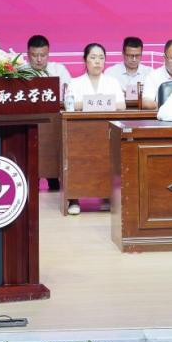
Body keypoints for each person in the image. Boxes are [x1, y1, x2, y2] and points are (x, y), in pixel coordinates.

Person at [65, 43, 126, 215]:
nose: (97, 62)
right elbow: (70, 105)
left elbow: (121, 105)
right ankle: (74, 198)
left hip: (107, 132)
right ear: (85, 60)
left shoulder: (112, 82)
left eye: (101, 58)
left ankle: (106, 196)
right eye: (93, 57)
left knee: (108, 157)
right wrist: (94, 101)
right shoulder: (75, 83)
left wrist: (93, 102)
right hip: (80, 134)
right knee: (77, 156)